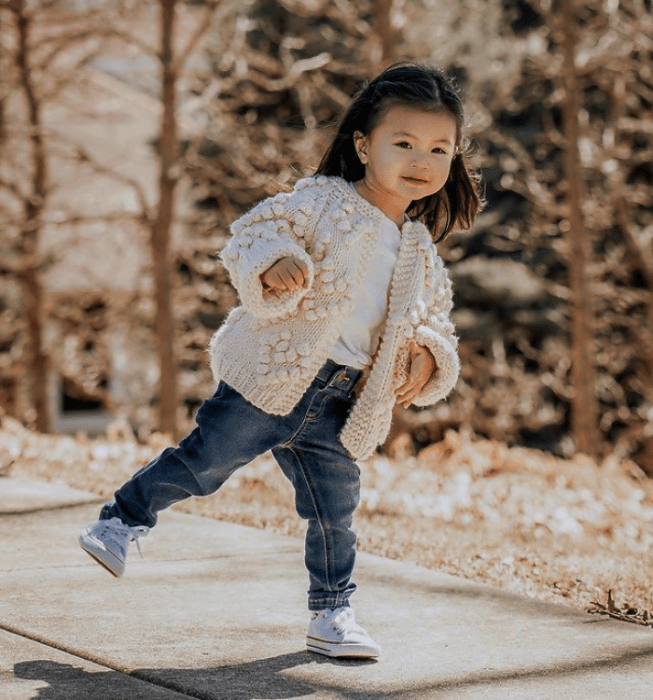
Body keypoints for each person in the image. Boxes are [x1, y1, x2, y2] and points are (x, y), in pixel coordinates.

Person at [79, 62, 482, 659]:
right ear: (364, 145)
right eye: (404, 142)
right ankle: (122, 518)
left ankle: (333, 614)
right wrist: (272, 262)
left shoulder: (421, 252)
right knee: (202, 465)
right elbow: (253, 232)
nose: (422, 159)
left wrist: (428, 357)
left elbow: (435, 321)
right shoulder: (322, 201)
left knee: (334, 515)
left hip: (343, 405)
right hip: (272, 379)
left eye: (439, 148)